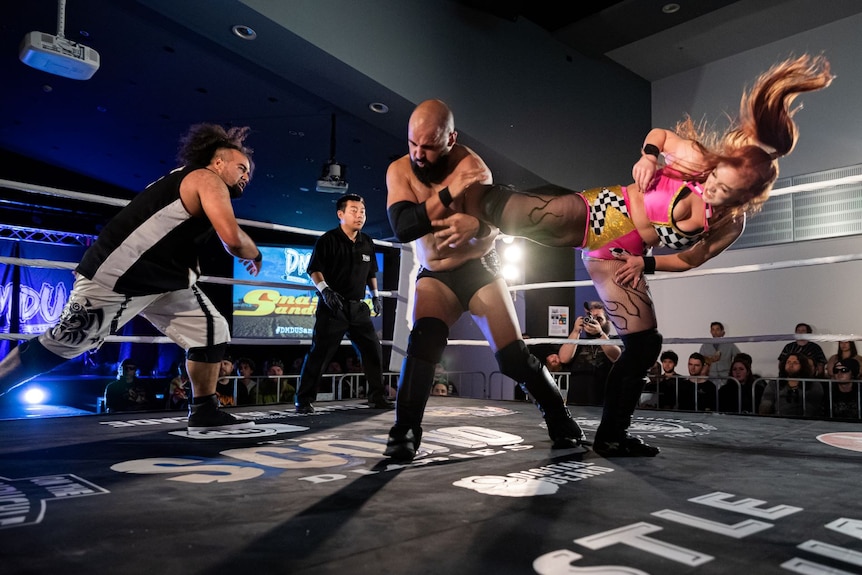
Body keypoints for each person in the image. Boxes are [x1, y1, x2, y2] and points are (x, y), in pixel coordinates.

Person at [449, 54, 832, 455]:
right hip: (609, 213)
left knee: (645, 345)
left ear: (746, 199)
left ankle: (612, 434)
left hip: (623, 255)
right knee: (533, 216)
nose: (715, 190)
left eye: (728, 193)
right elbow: (661, 136)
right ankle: (454, 197)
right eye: (718, 179)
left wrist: (644, 263)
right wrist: (649, 156)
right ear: (719, 165)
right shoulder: (698, 162)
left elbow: (690, 259)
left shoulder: (729, 225)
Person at [0, 123, 262, 431]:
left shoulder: (191, 180)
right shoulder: (206, 178)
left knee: (211, 332)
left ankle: (204, 408)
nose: (246, 176)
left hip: (166, 281)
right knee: (64, 343)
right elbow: (231, 239)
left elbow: (227, 234)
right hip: (120, 277)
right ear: (218, 162)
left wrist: (246, 248)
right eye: (241, 167)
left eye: (249, 173)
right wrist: (255, 254)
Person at [383, 99, 586, 460]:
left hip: (477, 267)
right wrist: (448, 194)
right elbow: (403, 227)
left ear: (450, 139)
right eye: (413, 144)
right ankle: (404, 433)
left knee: (513, 358)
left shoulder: (472, 167)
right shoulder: (399, 171)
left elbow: (498, 225)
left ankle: (562, 421)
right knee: (424, 339)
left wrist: (476, 225)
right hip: (436, 273)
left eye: (428, 147)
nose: (418, 154)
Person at [294, 194, 394, 413]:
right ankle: (303, 399)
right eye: (354, 211)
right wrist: (326, 291)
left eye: (362, 211)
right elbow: (314, 269)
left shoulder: (367, 241)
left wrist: (375, 295)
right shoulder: (328, 240)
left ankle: (377, 397)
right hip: (333, 307)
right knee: (320, 354)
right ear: (341, 214)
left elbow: (371, 272)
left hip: (358, 308)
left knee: (373, 351)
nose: (359, 216)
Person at [558, 301, 621, 407]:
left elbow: (618, 357)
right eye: (592, 318)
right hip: (577, 403)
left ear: (608, 322)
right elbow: (564, 358)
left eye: (599, 319)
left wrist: (600, 334)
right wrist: (576, 331)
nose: (594, 322)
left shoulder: (615, 340)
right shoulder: (578, 342)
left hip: (607, 403)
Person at [760, 352, 823, 417]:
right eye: (788, 362)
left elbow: (812, 408)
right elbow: (766, 402)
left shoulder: (813, 384)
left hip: (804, 421)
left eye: (795, 363)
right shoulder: (774, 383)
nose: (791, 365)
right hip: (778, 420)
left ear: (803, 365)